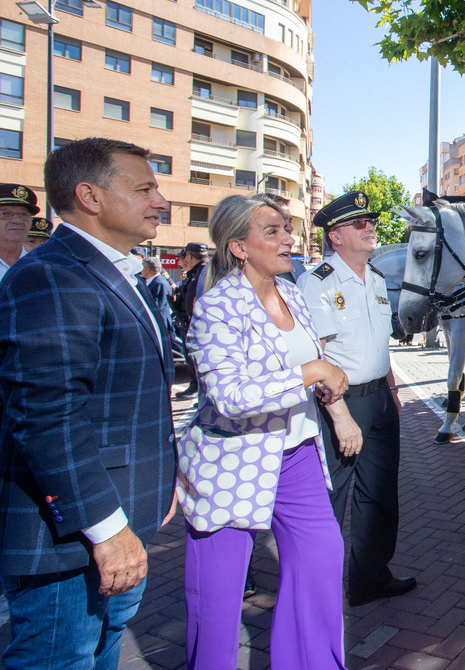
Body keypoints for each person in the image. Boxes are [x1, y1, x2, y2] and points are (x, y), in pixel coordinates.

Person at [0, 138, 175, 669]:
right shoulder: (52, 275)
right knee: (59, 656)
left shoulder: (111, 271)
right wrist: (108, 530)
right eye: (144, 187)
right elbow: (48, 419)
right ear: (90, 197)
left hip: (118, 521)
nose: (161, 201)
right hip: (73, 538)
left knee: (98, 652)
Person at [175, 194, 356, 669]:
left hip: (296, 454)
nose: (287, 239)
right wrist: (313, 371)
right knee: (217, 597)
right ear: (238, 247)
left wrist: (337, 410)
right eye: (271, 231)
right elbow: (230, 397)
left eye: (286, 229)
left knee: (321, 558)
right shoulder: (216, 307)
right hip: (231, 459)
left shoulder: (292, 291)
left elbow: (310, 363)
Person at [299, 191, 415, 606]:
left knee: (380, 493)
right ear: (335, 237)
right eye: (360, 223)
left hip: (380, 399)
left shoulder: (379, 279)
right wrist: (340, 414)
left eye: (372, 222)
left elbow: (378, 344)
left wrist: (392, 388)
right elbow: (315, 355)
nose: (371, 228)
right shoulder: (318, 283)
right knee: (334, 497)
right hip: (341, 405)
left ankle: (369, 578)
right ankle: (320, 590)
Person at [172, 242, 208, 399]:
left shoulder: (204, 271)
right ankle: (197, 389)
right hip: (189, 323)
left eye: (184, 256)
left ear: (189, 256)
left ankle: (202, 393)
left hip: (198, 325)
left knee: (200, 363)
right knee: (193, 361)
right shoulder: (195, 272)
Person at [0, 183, 38, 284]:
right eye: (5, 213)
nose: (17, 220)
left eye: (23, 214)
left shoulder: (39, 262)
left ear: (30, 222)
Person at [140, 256, 175, 328]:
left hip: (160, 323)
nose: (141, 270)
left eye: (142, 267)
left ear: (147, 269)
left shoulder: (160, 283)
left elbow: (158, 306)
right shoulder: (152, 281)